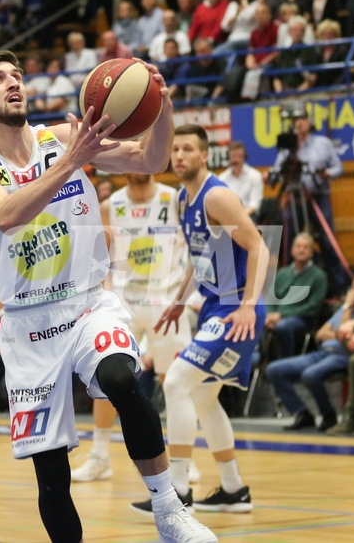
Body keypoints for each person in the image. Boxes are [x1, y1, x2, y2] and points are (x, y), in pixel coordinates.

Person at [0, 50, 216, 543]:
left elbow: (151, 159)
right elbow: (6, 215)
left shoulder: (65, 135)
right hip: (27, 324)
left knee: (121, 377)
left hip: (87, 304)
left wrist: (161, 108)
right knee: (52, 473)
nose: (13, 82)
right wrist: (73, 163)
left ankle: (168, 509)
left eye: (17, 74)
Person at [131, 124, 268, 516]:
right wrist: (179, 300)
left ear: (205, 156)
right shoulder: (181, 199)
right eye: (175, 150)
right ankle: (233, 489)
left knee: (175, 382)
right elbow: (201, 255)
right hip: (212, 306)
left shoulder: (218, 195)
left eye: (188, 149)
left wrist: (247, 304)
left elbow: (259, 246)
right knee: (204, 399)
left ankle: (176, 490)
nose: (179, 156)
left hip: (235, 310)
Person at [70, 172, 198, 485]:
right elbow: (98, 256)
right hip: (123, 302)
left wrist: (185, 297)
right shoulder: (109, 205)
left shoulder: (174, 198)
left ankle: (182, 461)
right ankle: (100, 457)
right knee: (105, 378)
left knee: (177, 384)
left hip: (166, 303)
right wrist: (105, 292)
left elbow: (197, 249)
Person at [265, 274, 354, 432]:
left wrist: (348, 307)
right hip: (322, 353)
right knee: (274, 370)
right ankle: (302, 413)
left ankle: (328, 415)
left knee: (310, 375)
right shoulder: (343, 310)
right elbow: (320, 334)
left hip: (343, 357)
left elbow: (342, 332)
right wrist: (339, 330)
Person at [266, 103, 347, 296]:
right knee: (289, 241)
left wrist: (326, 173)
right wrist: (270, 176)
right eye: (295, 121)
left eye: (302, 120)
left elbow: (339, 168)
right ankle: (287, 288)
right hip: (294, 197)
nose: (299, 124)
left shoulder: (323, 143)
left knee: (328, 241)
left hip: (317, 196)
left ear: (308, 121)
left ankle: (340, 288)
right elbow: (278, 171)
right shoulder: (288, 148)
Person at [264, 233, 328, 359]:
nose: (301, 250)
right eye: (298, 246)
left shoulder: (319, 276)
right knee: (255, 320)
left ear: (312, 252)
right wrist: (269, 314)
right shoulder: (283, 273)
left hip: (302, 319)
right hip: (276, 317)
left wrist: (281, 315)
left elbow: (313, 307)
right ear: (292, 250)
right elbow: (271, 298)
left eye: (306, 247)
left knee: (283, 326)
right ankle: (257, 362)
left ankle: (285, 363)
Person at [218, 141, 264, 221]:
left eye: (239, 156)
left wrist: (240, 216)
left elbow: (255, 203)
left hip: (248, 216)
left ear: (244, 157)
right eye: (233, 156)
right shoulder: (222, 179)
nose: (236, 159)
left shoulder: (255, 176)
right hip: (227, 217)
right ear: (229, 158)